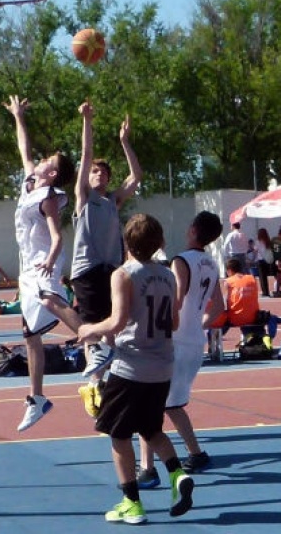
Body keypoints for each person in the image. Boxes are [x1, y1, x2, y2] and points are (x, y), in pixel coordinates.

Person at [5, 94, 115, 432]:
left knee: (50, 299)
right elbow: (24, 150)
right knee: (30, 334)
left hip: (42, 262)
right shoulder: (29, 184)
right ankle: (37, 399)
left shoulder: (49, 197)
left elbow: (56, 237)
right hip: (28, 269)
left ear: (51, 172)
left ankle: (94, 346)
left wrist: (51, 260)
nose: (38, 160)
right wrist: (18, 117)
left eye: (46, 160)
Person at [76, 213, 195, 523]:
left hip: (132, 366)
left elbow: (116, 322)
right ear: (159, 243)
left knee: (118, 435)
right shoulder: (169, 275)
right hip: (162, 365)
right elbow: (174, 321)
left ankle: (132, 502)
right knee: (151, 428)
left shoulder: (123, 274)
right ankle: (177, 473)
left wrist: (90, 329)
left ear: (125, 242)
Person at [137, 210, 223, 488]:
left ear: (193, 230)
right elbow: (219, 307)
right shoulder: (212, 263)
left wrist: (160, 330)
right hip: (195, 342)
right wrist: (198, 324)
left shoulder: (181, 261)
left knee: (148, 404)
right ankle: (196, 453)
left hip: (174, 340)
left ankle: (147, 469)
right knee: (172, 404)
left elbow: (174, 301)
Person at [71, 100, 142, 414]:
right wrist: (87, 121)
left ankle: (103, 383)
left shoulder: (112, 201)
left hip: (112, 270)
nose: (98, 174)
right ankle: (92, 383)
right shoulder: (84, 199)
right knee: (91, 327)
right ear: (88, 178)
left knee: (112, 327)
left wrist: (125, 142)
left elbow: (136, 177)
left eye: (104, 172)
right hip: (87, 269)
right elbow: (85, 156)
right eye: (95, 172)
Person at [254, 228, 279, 298]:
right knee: (265, 276)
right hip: (267, 260)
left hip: (260, 260)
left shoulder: (258, 242)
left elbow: (255, 250)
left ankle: (265, 291)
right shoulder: (268, 241)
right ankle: (267, 291)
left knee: (262, 277)